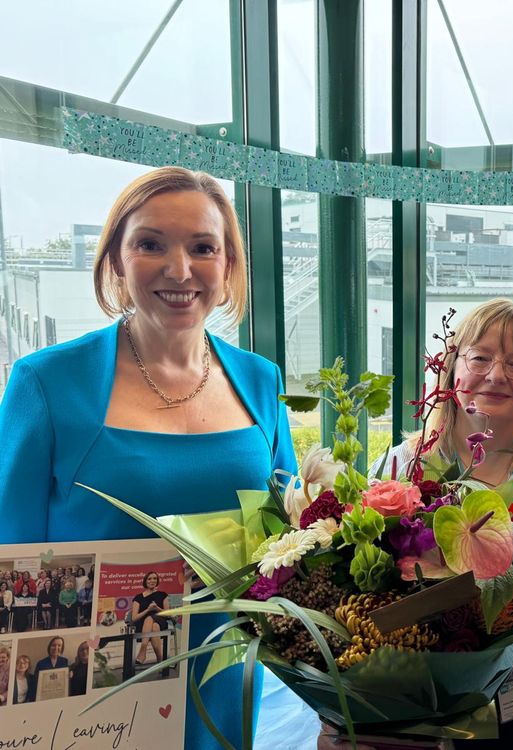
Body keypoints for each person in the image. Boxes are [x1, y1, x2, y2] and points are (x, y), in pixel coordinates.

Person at [0, 167, 297, 746]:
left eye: (203, 247)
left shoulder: (262, 382)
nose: (180, 269)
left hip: (223, 680)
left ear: (229, 263)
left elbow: (288, 540)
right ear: (115, 258)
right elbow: (9, 561)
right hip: (90, 695)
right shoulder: (46, 383)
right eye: (151, 244)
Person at [372, 299, 513, 748]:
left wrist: (497, 663)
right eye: (480, 357)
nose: (496, 375)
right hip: (412, 693)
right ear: (452, 367)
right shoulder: (403, 464)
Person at [132, 572, 170, 665]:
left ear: (157, 581)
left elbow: (168, 614)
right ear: (145, 581)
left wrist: (157, 608)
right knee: (154, 626)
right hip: (142, 625)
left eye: (154, 579)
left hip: (160, 620)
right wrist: (148, 609)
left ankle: (142, 650)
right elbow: (134, 618)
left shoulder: (162, 594)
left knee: (152, 620)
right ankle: (160, 661)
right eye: (149, 579)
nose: (152, 581)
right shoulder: (138, 598)